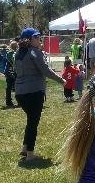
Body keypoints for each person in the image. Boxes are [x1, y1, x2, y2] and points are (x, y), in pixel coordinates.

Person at [15, 27, 66, 161]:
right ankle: (30, 154)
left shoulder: (18, 53)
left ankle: (25, 148)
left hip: (20, 93)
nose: (39, 39)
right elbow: (46, 70)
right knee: (33, 123)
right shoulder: (34, 52)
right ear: (29, 40)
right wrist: (61, 80)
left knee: (30, 120)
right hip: (33, 91)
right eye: (36, 37)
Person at [4, 40, 19, 108]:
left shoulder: (8, 53)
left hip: (7, 71)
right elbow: (14, 63)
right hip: (13, 71)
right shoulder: (15, 53)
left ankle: (8, 101)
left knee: (9, 87)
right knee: (17, 87)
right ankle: (19, 101)